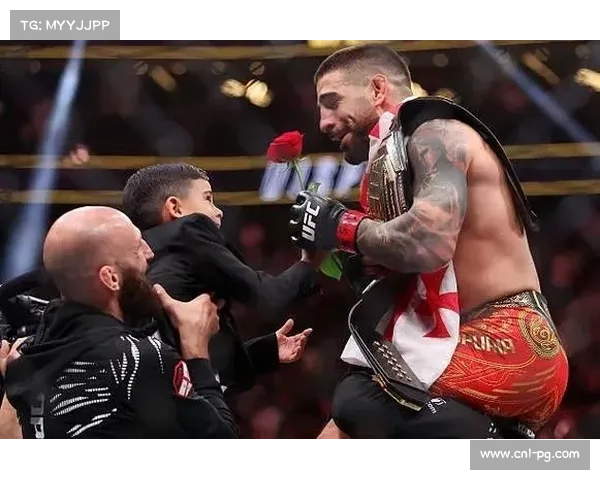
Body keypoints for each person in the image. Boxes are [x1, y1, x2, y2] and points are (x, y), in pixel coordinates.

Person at [289, 44, 568, 439]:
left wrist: (342, 225)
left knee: (358, 399)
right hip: (464, 340)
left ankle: (504, 452)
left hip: (510, 341)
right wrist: (360, 261)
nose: (324, 122)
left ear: (377, 89)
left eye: (332, 103)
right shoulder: (394, 159)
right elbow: (413, 259)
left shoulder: (435, 134)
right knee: (335, 436)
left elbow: (429, 242)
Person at [4, 206, 238, 439]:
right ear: (111, 278)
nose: (149, 252)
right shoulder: (142, 359)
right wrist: (196, 351)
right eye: (137, 248)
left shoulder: (24, 361)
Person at [122, 164, 318, 394]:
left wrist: (265, 351)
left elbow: (189, 356)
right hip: (187, 401)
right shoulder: (190, 230)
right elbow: (268, 296)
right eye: (208, 199)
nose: (219, 211)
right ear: (175, 207)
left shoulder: (135, 259)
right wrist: (309, 262)